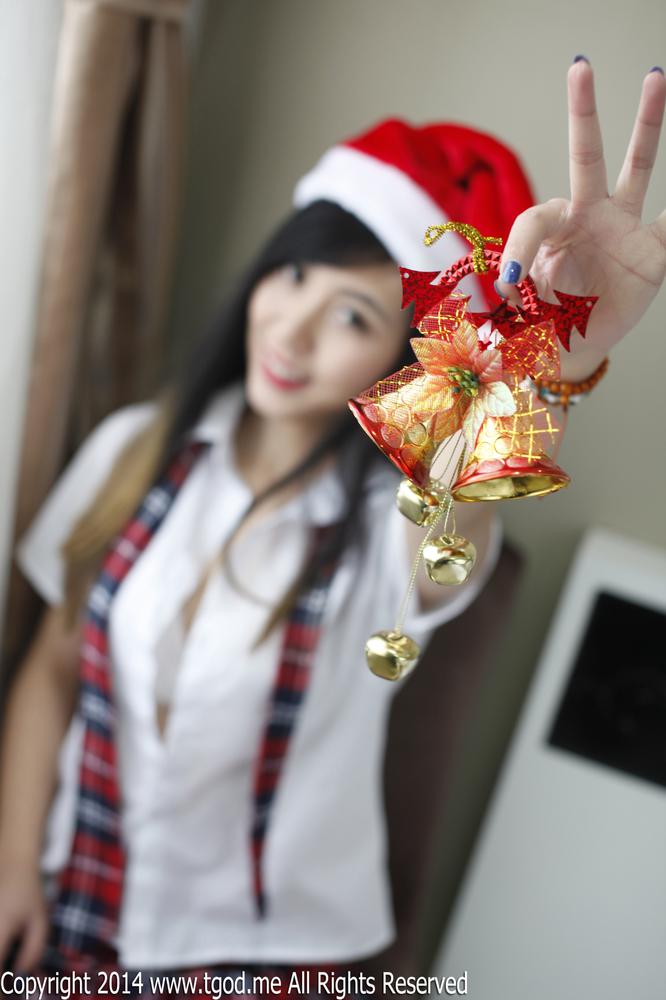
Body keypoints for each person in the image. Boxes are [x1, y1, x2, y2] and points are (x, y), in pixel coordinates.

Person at [0, 58, 664, 993]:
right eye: (294, 273)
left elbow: (460, 522)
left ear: (401, 354)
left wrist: (543, 366)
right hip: (69, 901)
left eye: (351, 315)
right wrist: (12, 865)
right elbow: (56, 662)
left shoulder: (392, 524)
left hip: (262, 959)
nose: (290, 329)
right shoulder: (135, 450)